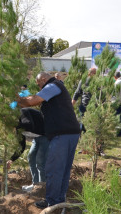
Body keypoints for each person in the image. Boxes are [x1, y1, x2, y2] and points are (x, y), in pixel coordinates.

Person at [17, 72, 80, 209]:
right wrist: (19, 97)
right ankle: (59, 200)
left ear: (43, 79)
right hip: (70, 132)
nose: (39, 87)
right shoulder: (56, 87)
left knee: (53, 168)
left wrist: (15, 99)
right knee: (62, 169)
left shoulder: (53, 86)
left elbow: (32, 101)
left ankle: (52, 202)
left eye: (38, 83)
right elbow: (30, 98)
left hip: (62, 133)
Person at [7, 107, 49, 192]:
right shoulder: (18, 129)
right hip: (37, 138)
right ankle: (35, 185)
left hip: (46, 134)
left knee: (40, 161)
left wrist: (16, 125)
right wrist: (11, 159)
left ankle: (42, 187)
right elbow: (21, 146)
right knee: (31, 157)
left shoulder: (23, 111)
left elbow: (30, 125)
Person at [72, 67, 97, 132]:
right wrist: (72, 102)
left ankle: (91, 137)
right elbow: (77, 92)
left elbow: (101, 93)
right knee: (83, 123)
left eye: (96, 73)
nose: (95, 74)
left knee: (93, 123)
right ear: (89, 73)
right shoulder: (83, 81)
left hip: (94, 106)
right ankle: (83, 137)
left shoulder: (97, 82)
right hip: (85, 105)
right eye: (94, 73)